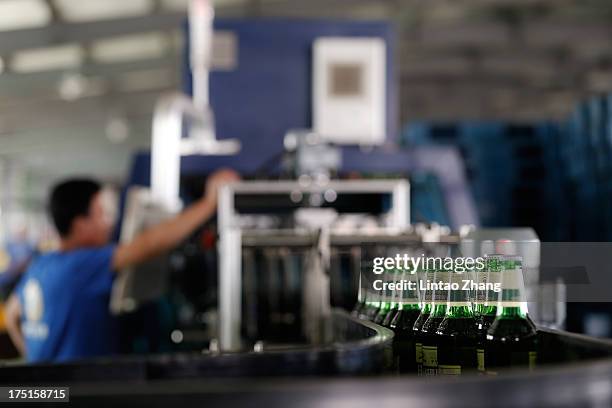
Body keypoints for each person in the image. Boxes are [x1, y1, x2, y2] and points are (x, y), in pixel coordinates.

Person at [4, 169, 239, 363]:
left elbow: (13, 315)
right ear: (80, 224)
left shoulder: (41, 264)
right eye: (101, 214)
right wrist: (210, 203)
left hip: (45, 390)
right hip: (80, 393)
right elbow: (148, 244)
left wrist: (37, 362)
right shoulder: (81, 265)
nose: (108, 223)